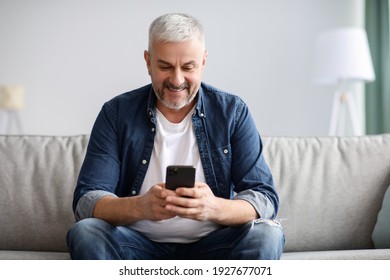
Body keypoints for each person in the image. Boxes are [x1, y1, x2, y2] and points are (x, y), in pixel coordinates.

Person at [66, 12, 285, 260]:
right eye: (165, 66)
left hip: (214, 246)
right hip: (136, 246)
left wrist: (213, 207)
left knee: (267, 234)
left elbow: (264, 198)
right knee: (86, 232)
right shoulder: (116, 114)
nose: (177, 79)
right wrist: (141, 206)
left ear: (203, 61)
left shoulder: (232, 112)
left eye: (188, 67)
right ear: (148, 62)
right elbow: (87, 201)